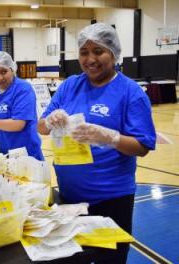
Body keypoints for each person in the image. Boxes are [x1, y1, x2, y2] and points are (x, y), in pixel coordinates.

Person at [37, 23, 156, 263]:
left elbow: (142, 146)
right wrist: (50, 121)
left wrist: (109, 137)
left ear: (113, 53)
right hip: (70, 198)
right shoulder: (70, 85)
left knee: (109, 260)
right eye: (84, 52)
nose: (90, 59)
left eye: (98, 51)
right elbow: (41, 127)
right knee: (72, 258)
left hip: (111, 200)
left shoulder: (131, 92)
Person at [0, 51, 44, 161]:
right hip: (4, 155)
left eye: (3, 71)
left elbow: (18, 124)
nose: (0, 77)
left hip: (26, 156)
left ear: (12, 69)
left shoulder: (22, 89)